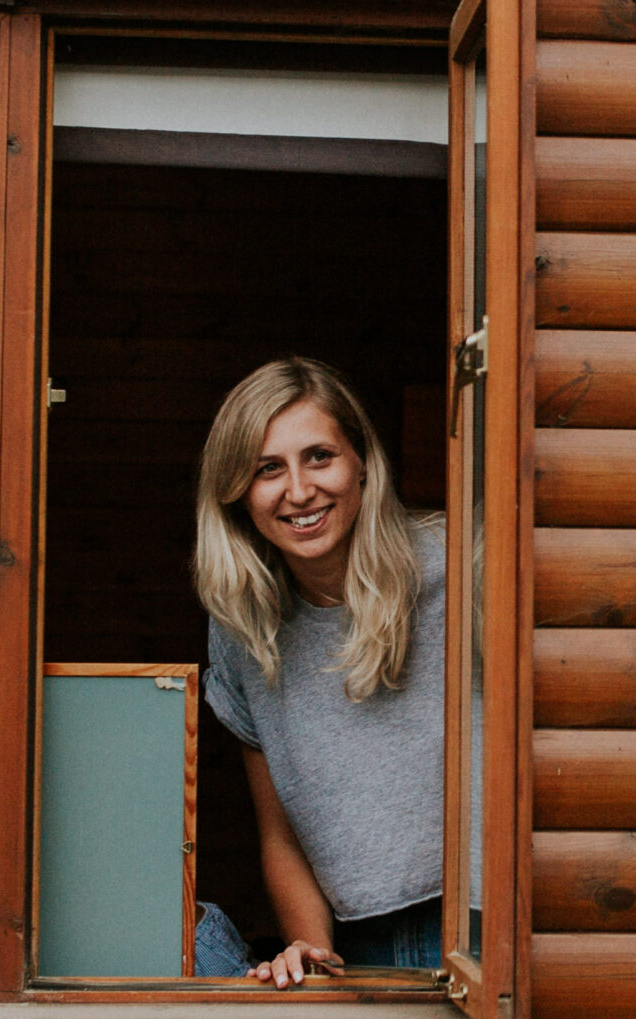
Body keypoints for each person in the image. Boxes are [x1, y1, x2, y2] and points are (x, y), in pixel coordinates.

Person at [189, 356, 479, 986]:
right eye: (269, 469)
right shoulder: (243, 627)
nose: (298, 490)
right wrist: (311, 956)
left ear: (362, 463)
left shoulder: (462, 569)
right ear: (237, 493)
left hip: (483, 931)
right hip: (358, 942)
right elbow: (281, 835)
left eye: (319, 456)